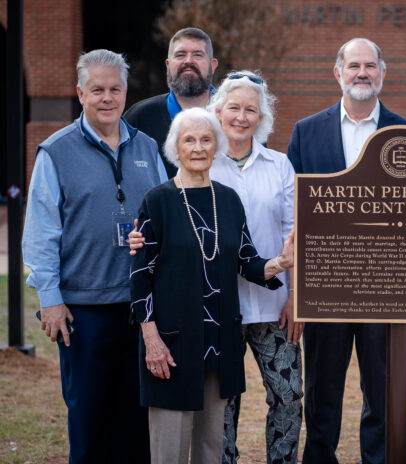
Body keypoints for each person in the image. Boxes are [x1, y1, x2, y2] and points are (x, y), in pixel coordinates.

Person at [130, 70, 303, 464]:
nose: (198, 147)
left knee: (223, 430)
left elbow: (249, 258)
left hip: (236, 323)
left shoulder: (231, 196)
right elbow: (142, 274)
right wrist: (151, 339)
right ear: (175, 146)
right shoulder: (160, 198)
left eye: (205, 140)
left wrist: (284, 267)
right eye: (189, 140)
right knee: (185, 434)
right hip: (182, 329)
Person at [22, 49, 168, 464]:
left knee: (136, 424)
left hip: (140, 309)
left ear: (126, 92)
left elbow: (163, 218)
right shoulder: (56, 152)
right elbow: (40, 234)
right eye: (98, 89)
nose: (108, 98)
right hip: (82, 312)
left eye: (115, 89)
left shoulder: (147, 147)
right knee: (89, 424)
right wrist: (50, 298)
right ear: (80, 92)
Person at [287, 37, 406, 464]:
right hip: (326, 284)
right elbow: (293, 210)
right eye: (354, 65)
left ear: (383, 72)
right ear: (337, 72)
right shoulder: (306, 132)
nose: (362, 73)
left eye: (370, 65)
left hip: (385, 287)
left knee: (381, 389)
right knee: (323, 388)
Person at [125, 27, 218, 177]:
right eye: (180, 55)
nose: (188, 61)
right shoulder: (140, 117)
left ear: (212, 66)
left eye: (197, 55)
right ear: (168, 65)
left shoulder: (234, 118)